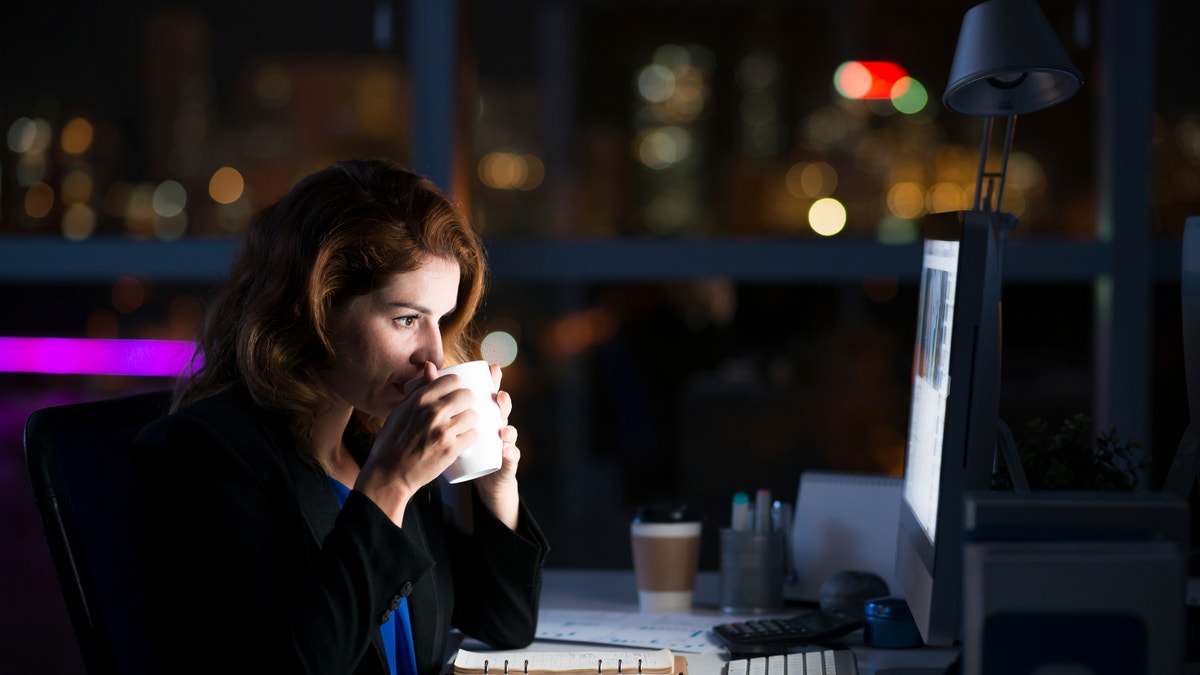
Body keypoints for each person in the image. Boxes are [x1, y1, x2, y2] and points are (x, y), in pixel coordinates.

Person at [133, 158, 549, 675]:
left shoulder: (371, 444)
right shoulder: (204, 453)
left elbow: (504, 623)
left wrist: (495, 487)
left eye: (440, 320)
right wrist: (389, 486)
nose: (434, 355)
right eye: (405, 318)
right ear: (317, 309)